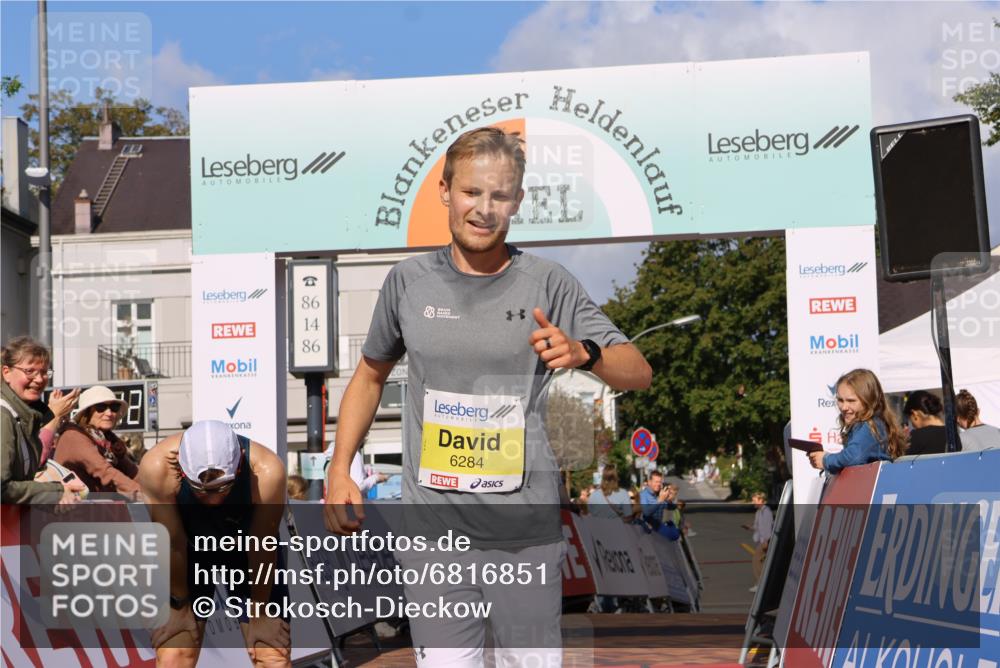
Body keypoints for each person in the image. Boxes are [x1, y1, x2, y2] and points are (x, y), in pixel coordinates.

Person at [323, 126, 651, 666]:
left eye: (499, 196)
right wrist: (340, 469)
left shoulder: (548, 283)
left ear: (518, 200)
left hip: (525, 536)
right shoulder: (408, 282)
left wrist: (584, 352)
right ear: (445, 191)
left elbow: (638, 370)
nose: (483, 209)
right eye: (471, 192)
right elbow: (369, 377)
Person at [138, 420, 290, 668]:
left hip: (246, 548)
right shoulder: (157, 466)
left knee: (271, 654)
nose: (212, 499)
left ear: (239, 465)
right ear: (181, 471)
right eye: (199, 489)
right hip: (189, 549)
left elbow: (262, 545)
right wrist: (179, 605)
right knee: (175, 654)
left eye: (223, 488)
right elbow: (173, 543)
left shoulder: (267, 469)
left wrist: (260, 612)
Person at [1, 336, 85, 506]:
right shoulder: (4, 416)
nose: (39, 379)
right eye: (30, 371)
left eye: (44, 372)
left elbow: (21, 484)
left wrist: (53, 500)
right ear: (6, 373)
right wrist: (56, 493)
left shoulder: (26, 416)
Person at [809, 368, 907, 474]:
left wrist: (825, 460)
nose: (844, 407)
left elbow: (854, 456)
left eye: (851, 401)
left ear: (869, 400)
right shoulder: (866, 424)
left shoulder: (870, 426)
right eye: (840, 400)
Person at [54, 385, 141, 499]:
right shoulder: (73, 436)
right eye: (101, 407)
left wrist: (157, 486)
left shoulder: (109, 440)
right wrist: (141, 493)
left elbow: (134, 472)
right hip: (77, 507)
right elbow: (104, 471)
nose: (109, 413)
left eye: (114, 407)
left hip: (100, 505)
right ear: (86, 413)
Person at [902, 390, 961, 455]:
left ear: (914, 414)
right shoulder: (953, 435)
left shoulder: (916, 437)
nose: (913, 425)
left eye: (911, 420)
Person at [742, 491, 773, 592]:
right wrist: (749, 527)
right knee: (762, 562)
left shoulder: (766, 512)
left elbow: (768, 528)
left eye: (755, 500)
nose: (753, 503)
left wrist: (766, 541)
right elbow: (757, 526)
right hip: (761, 541)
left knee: (756, 561)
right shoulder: (759, 512)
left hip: (765, 541)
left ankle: (760, 584)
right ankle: (763, 583)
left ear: (761, 500)